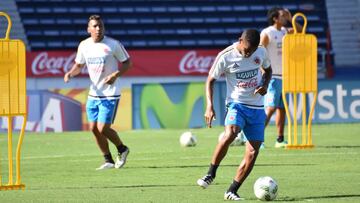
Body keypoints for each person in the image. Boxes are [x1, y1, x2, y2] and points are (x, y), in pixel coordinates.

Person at [197, 29, 272, 200]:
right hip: (236, 104)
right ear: (240, 40)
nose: (249, 54)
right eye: (246, 50)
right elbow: (210, 80)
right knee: (231, 133)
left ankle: (232, 190)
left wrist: (265, 85)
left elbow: (268, 70)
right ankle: (211, 173)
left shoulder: (261, 50)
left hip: (257, 108)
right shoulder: (225, 56)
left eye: (251, 51)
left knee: (253, 152)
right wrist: (209, 106)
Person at [64, 15, 132, 170]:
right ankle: (108, 160)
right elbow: (79, 65)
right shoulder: (84, 45)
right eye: (94, 26)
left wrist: (115, 75)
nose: (98, 29)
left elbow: (128, 63)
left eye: (100, 26)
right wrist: (70, 73)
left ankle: (122, 149)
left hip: (110, 93)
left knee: (103, 128)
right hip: (94, 93)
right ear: (88, 29)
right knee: (93, 128)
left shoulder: (113, 45)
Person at [260, 7, 302, 148]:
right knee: (270, 108)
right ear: (275, 18)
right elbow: (260, 52)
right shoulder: (267, 33)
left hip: (284, 77)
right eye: (283, 16)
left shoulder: (284, 31)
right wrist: (263, 72)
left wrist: (291, 19)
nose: (285, 18)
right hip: (272, 76)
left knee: (282, 109)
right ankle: (257, 139)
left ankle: (279, 139)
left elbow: (301, 31)